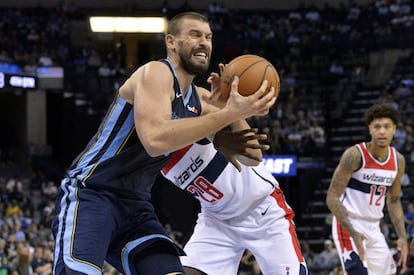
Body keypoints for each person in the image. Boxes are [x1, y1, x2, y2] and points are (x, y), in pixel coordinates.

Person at [51, 11, 276, 275]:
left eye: (209, 37)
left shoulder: (200, 99)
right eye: (195, 35)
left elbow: (252, 156)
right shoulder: (155, 73)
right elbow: (154, 140)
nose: (204, 42)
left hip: (135, 206)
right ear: (171, 42)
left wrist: (229, 105)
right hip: (92, 193)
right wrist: (228, 114)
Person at [158, 127, 308, 274]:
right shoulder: (149, 149)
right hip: (216, 219)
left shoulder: (193, 115)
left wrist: (234, 115)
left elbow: (254, 155)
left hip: (261, 210)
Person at [326, 103, 409, 274]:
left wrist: (402, 236)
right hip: (348, 223)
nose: (382, 131)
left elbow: (393, 201)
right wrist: (353, 232)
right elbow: (332, 197)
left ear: (394, 129)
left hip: (374, 226)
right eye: (377, 126)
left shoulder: (398, 161)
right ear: (370, 129)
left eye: (387, 126)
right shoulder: (354, 155)